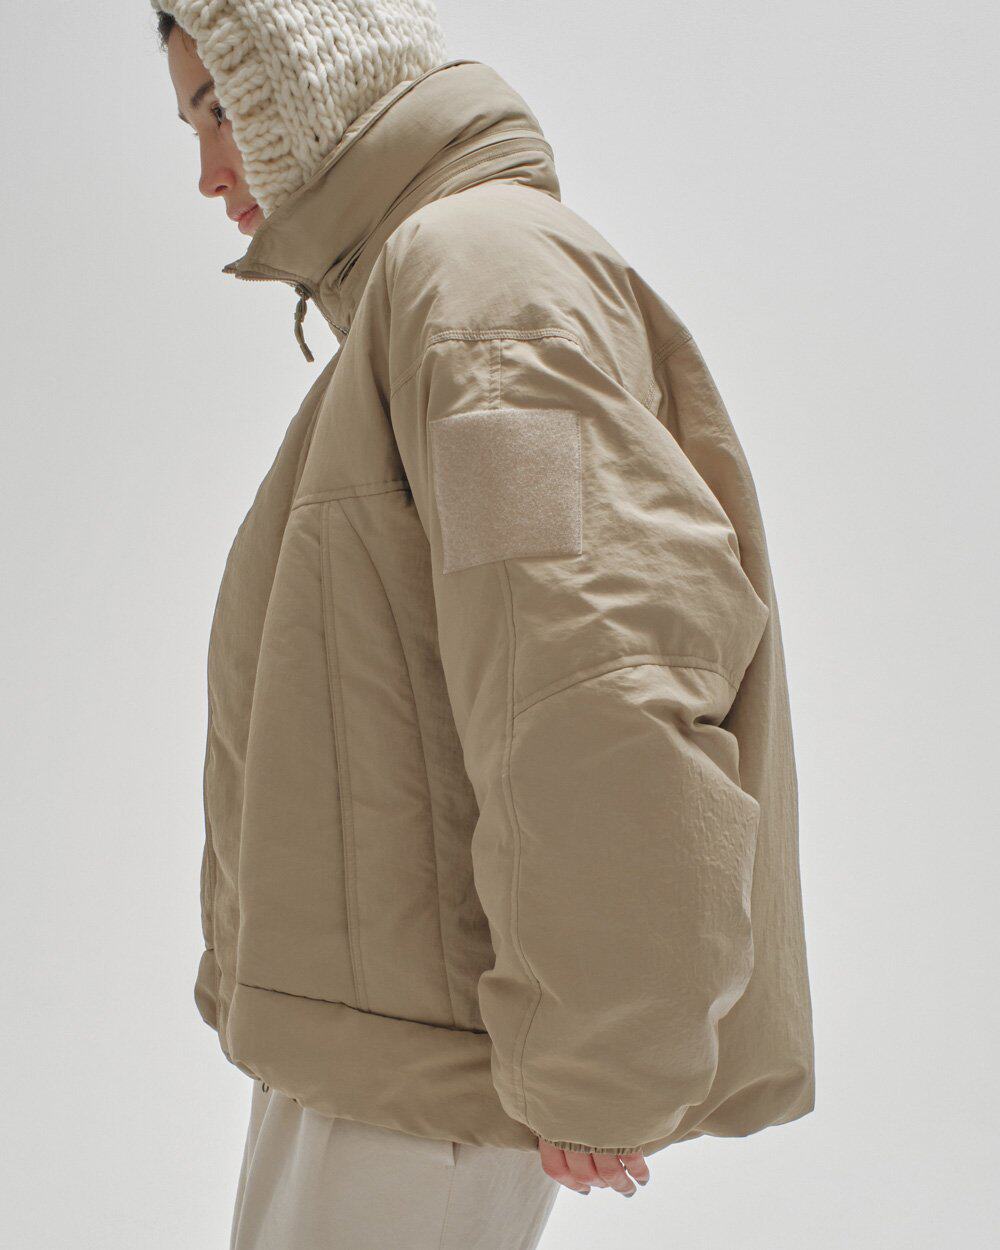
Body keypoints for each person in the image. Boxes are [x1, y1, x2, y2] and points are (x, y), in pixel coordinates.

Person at [150, 2, 816, 1247]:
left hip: (426, 1067)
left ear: (308, 79)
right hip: (382, 1035)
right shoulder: (440, 285)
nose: (208, 172)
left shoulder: (480, 282)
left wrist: (602, 1047)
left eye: (222, 109)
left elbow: (595, 663)